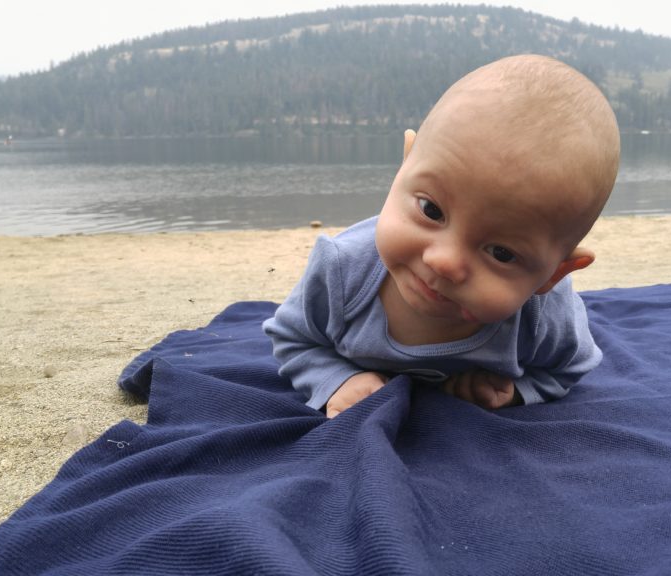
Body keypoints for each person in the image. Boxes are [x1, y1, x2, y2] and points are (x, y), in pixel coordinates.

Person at [263, 54, 621, 418]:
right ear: (405, 164)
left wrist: (516, 391)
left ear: (554, 274)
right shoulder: (342, 270)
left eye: (500, 252)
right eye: (431, 210)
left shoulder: (543, 318)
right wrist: (335, 379)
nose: (444, 261)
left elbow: (568, 368)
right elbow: (294, 339)